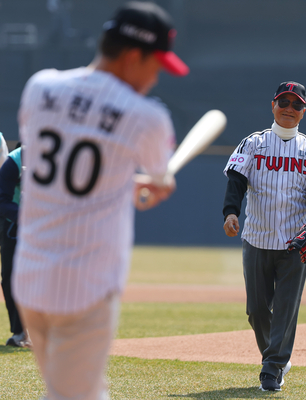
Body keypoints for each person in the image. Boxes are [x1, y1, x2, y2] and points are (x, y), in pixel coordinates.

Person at [12, 2, 186, 398]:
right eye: (155, 65)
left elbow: (70, 175)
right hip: (83, 288)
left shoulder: (41, 87)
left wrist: (130, 182)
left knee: (72, 390)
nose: (156, 78)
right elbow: (160, 172)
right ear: (131, 56)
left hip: (30, 279)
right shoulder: (145, 115)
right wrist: (158, 182)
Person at [222, 81, 306, 391]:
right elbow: (236, 179)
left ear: (303, 112)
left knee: (285, 307)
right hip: (257, 237)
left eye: (296, 104)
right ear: (273, 105)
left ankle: (272, 368)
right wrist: (230, 211)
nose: (289, 108)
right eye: (284, 102)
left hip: (296, 242)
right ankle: (278, 357)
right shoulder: (253, 144)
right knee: (257, 310)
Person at [0, 144, 30, 347]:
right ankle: (20, 332)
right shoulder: (15, 161)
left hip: (54, 229)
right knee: (10, 278)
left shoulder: (68, 154)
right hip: (16, 227)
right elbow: (1, 199)